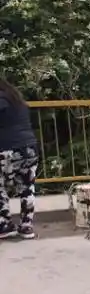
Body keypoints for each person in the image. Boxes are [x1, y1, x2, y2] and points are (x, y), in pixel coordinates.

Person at [0, 79, 39, 240]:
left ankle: (4, 224)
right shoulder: (18, 100)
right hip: (29, 148)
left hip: (6, 147)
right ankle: (26, 226)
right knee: (27, 186)